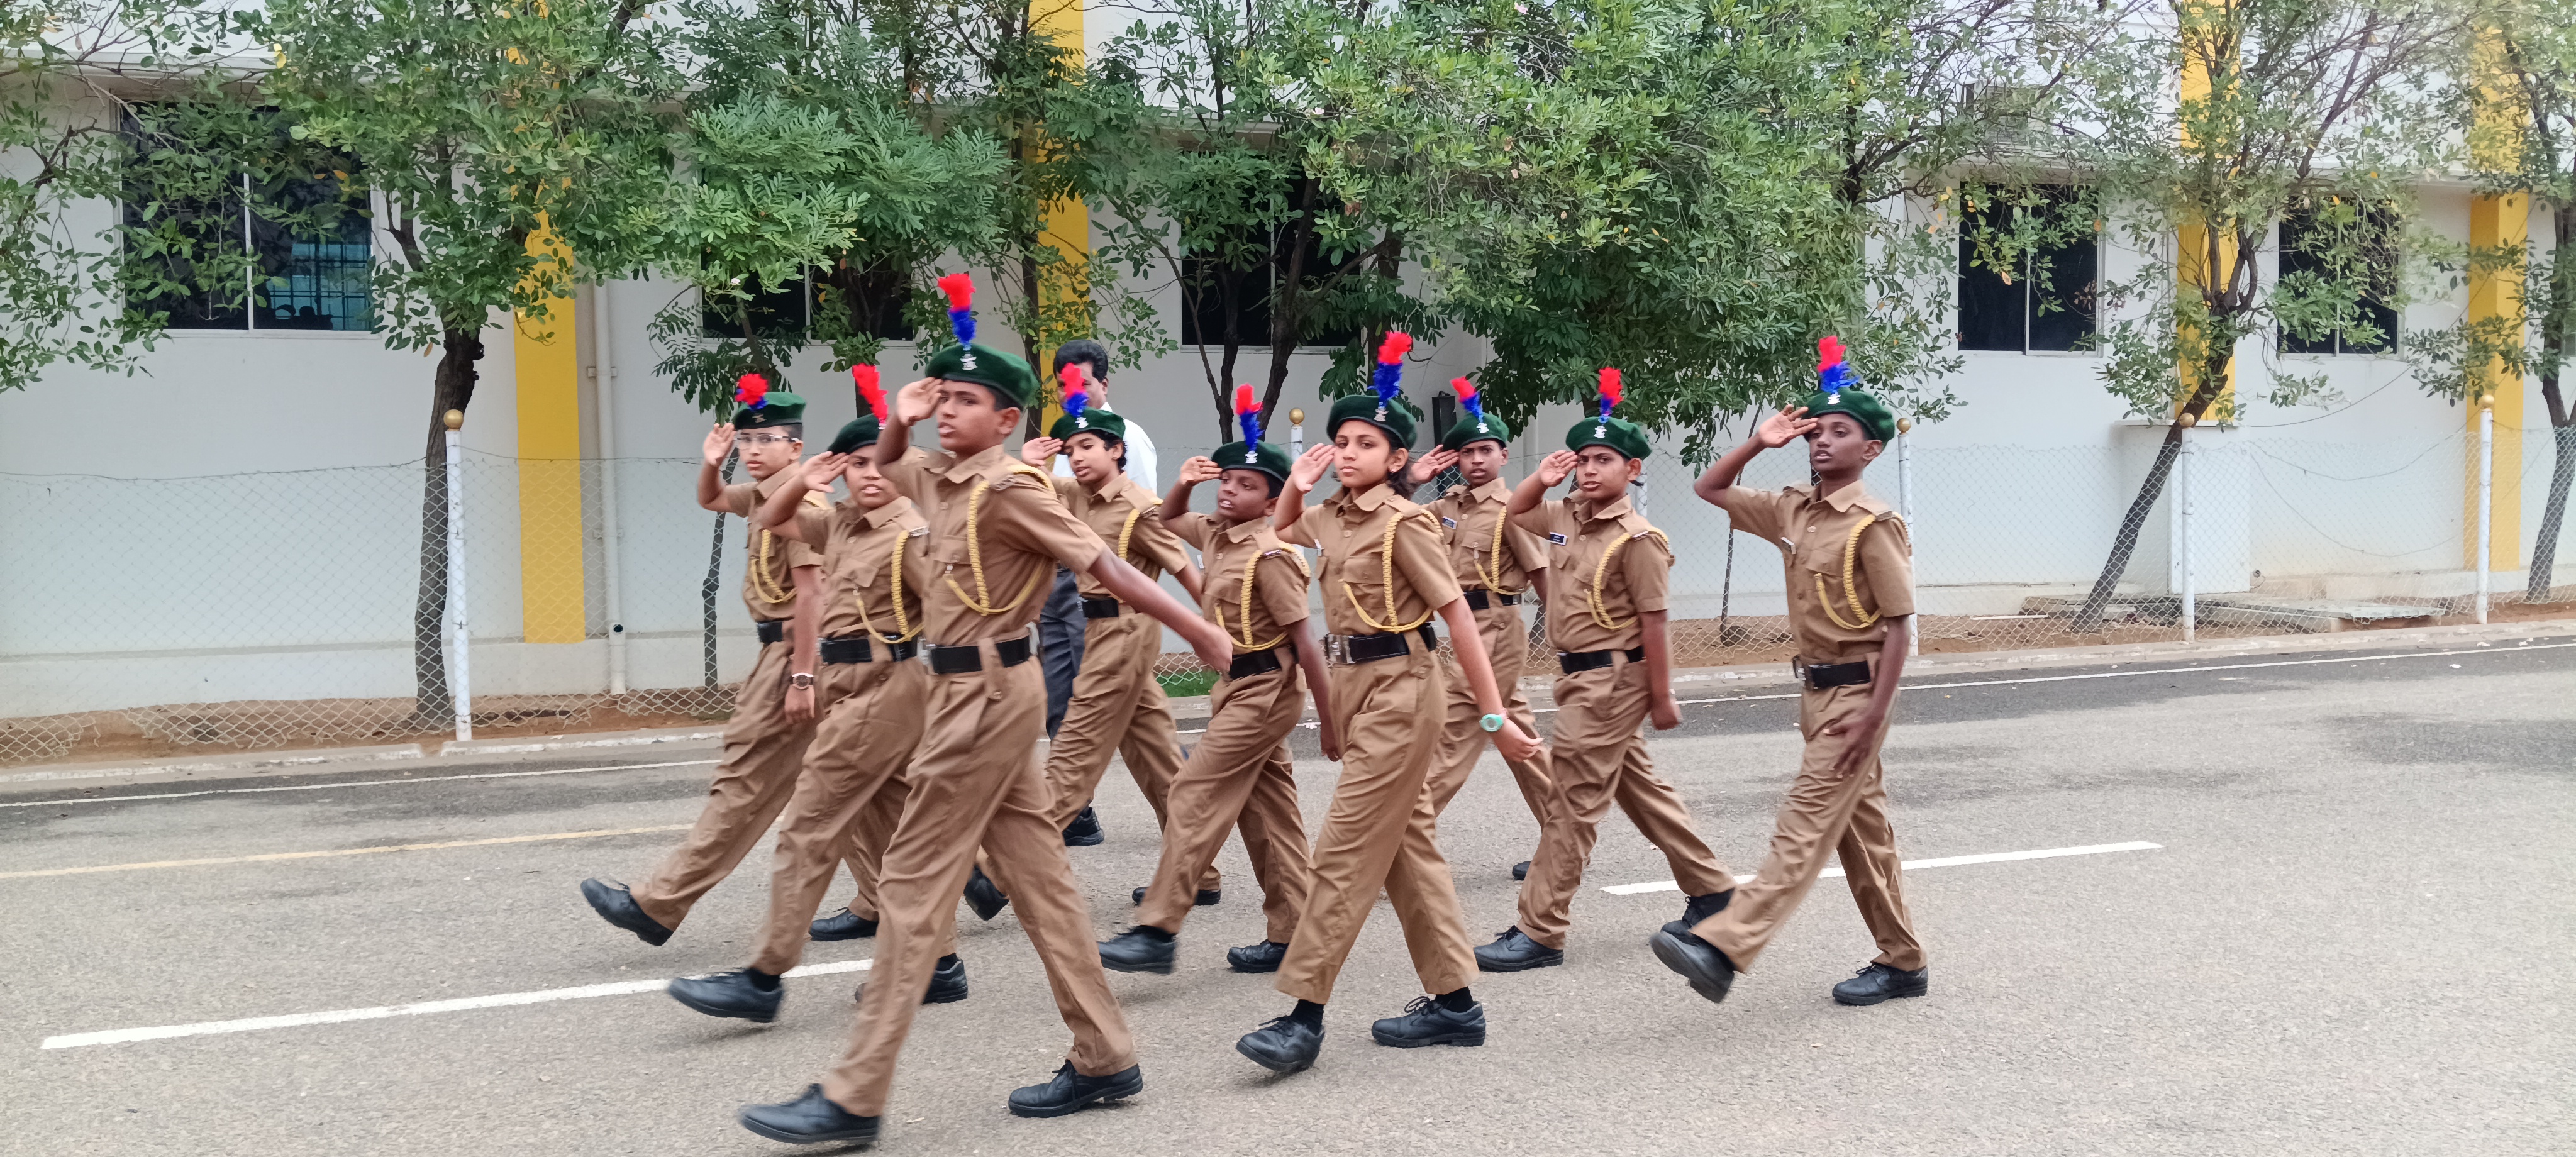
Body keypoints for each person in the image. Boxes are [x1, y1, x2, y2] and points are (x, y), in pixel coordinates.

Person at [736, 275, 1234, 1146]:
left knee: (912, 881)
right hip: (964, 692)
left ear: (1006, 419)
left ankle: (854, 1093)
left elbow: (1106, 566)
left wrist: (1202, 632)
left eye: (968, 401)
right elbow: (890, 464)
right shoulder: (938, 478)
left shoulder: (1013, 490)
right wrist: (898, 415)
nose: (949, 410)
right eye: (946, 397)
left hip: (989, 695)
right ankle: (1105, 1053)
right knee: (1042, 884)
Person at [1228, 332, 1541, 1076]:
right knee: (1408, 851)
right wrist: (1298, 480)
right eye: (1341, 441)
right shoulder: (1334, 515)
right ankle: (1455, 1004)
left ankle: (1303, 1016)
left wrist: (1493, 715)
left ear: (1397, 458)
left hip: (1404, 689)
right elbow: (1281, 528)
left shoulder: (1406, 523)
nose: (1347, 452)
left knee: (1341, 850)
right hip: (1356, 687)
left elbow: (1456, 615)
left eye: (1364, 444)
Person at [663, 383, 970, 1023]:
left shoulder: (910, 536)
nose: (869, 475)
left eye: (879, 464)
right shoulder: (841, 525)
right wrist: (804, 479)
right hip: (847, 683)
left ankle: (763, 976)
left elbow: (953, 619)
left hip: (888, 684)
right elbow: (772, 519)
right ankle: (938, 963)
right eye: (855, 464)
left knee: (808, 826)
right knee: (891, 825)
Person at [1652, 336, 1928, 1008]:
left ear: (1872, 449)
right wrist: (1760, 441)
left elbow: (1899, 625)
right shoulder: (1791, 507)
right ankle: (1903, 961)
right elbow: (1709, 488)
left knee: (1803, 823)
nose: (1822, 441)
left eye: (1841, 432)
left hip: (1858, 695)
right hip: (1816, 690)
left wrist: (1874, 715)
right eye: (1816, 431)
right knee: (1863, 836)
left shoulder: (1873, 525)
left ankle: (1725, 945)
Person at [1474, 369, 1737, 973]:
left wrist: (1662, 696)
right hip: (1579, 680)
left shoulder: (1638, 540)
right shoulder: (1566, 515)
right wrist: (1544, 477)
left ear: (1633, 470)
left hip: (1612, 683)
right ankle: (1714, 890)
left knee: (1570, 804)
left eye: (1605, 461)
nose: (1590, 470)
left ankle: (1540, 930)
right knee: (1640, 790)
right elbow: (1515, 512)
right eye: (1585, 460)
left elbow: (1655, 623)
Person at [578, 378, 824, 948]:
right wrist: (713, 463)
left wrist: (802, 675)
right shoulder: (761, 495)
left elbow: (815, 596)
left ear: (796, 448)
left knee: (744, 780)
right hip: (790, 652)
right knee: (858, 786)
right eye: (747, 441)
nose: (753, 450)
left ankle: (658, 903)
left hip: (793, 654)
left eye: (767, 440)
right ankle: (975, 879)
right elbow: (711, 500)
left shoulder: (804, 504)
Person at [1097, 387, 1331, 976]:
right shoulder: (1217, 533)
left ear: (1272, 501)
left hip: (1266, 690)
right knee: (1268, 812)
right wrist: (1184, 482)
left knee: (1192, 791)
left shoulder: (1271, 555)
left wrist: (1331, 723)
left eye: (1245, 485)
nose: (1229, 490)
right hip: (1233, 687)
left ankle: (1158, 927)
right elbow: (1170, 518)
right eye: (1225, 480)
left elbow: (1306, 644)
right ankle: (1296, 933)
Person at [961, 383, 1218, 920]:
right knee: (1159, 760)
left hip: (1125, 635)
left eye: (1088, 447)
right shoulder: (1074, 495)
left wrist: (1214, 630)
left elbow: (1185, 570)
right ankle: (1198, 873)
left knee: (1074, 755)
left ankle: (997, 876)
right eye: (1071, 449)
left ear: (1116, 450)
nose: (1077, 457)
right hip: (1097, 630)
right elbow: (1022, 491)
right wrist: (1026, 460)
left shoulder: (1141, 509)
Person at [1401, 378, 1557, 882]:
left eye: (1486, 450)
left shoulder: (1513, 510)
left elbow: (1541, 574)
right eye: (1467, 452)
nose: (1476, 460)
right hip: (1463, 629)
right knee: (1519, 735)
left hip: (1498, 627)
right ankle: (1566, 836)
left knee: (1456, 732)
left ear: (1504, 455)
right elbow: (1393, 523)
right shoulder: (1448, 506)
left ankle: (1399, 846)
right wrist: (1410, 480)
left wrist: (1567, 637)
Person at [1037, 339, 1158, 800]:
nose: (1075, 393)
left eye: (1083, 384)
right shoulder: (1064, 441)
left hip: (1104, 585)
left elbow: (1142, 516)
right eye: (1064, 385)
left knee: (1105, 709)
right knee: (1061, 698)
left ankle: (1065, 810)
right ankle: (1079, 816)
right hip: (1059, 579)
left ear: (1104, 384)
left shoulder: (1127, 437)